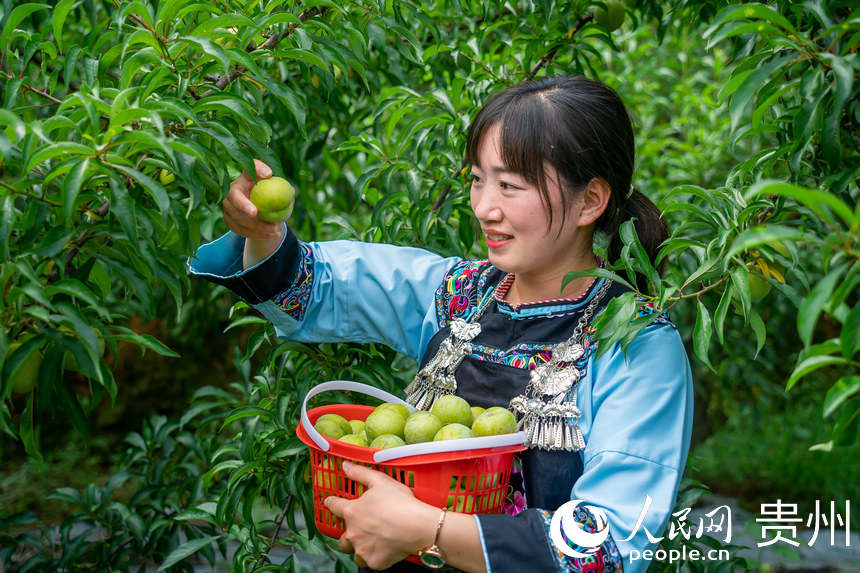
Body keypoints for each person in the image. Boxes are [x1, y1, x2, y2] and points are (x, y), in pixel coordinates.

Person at [188, 75, 693, 573]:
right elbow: (314, 286)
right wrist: (262, 229)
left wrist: (424, 529)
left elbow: (609, 547)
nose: (484, 208)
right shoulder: (459, 294)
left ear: (590, 201)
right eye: (478, 179)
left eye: (511, 186)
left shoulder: (634, 344)